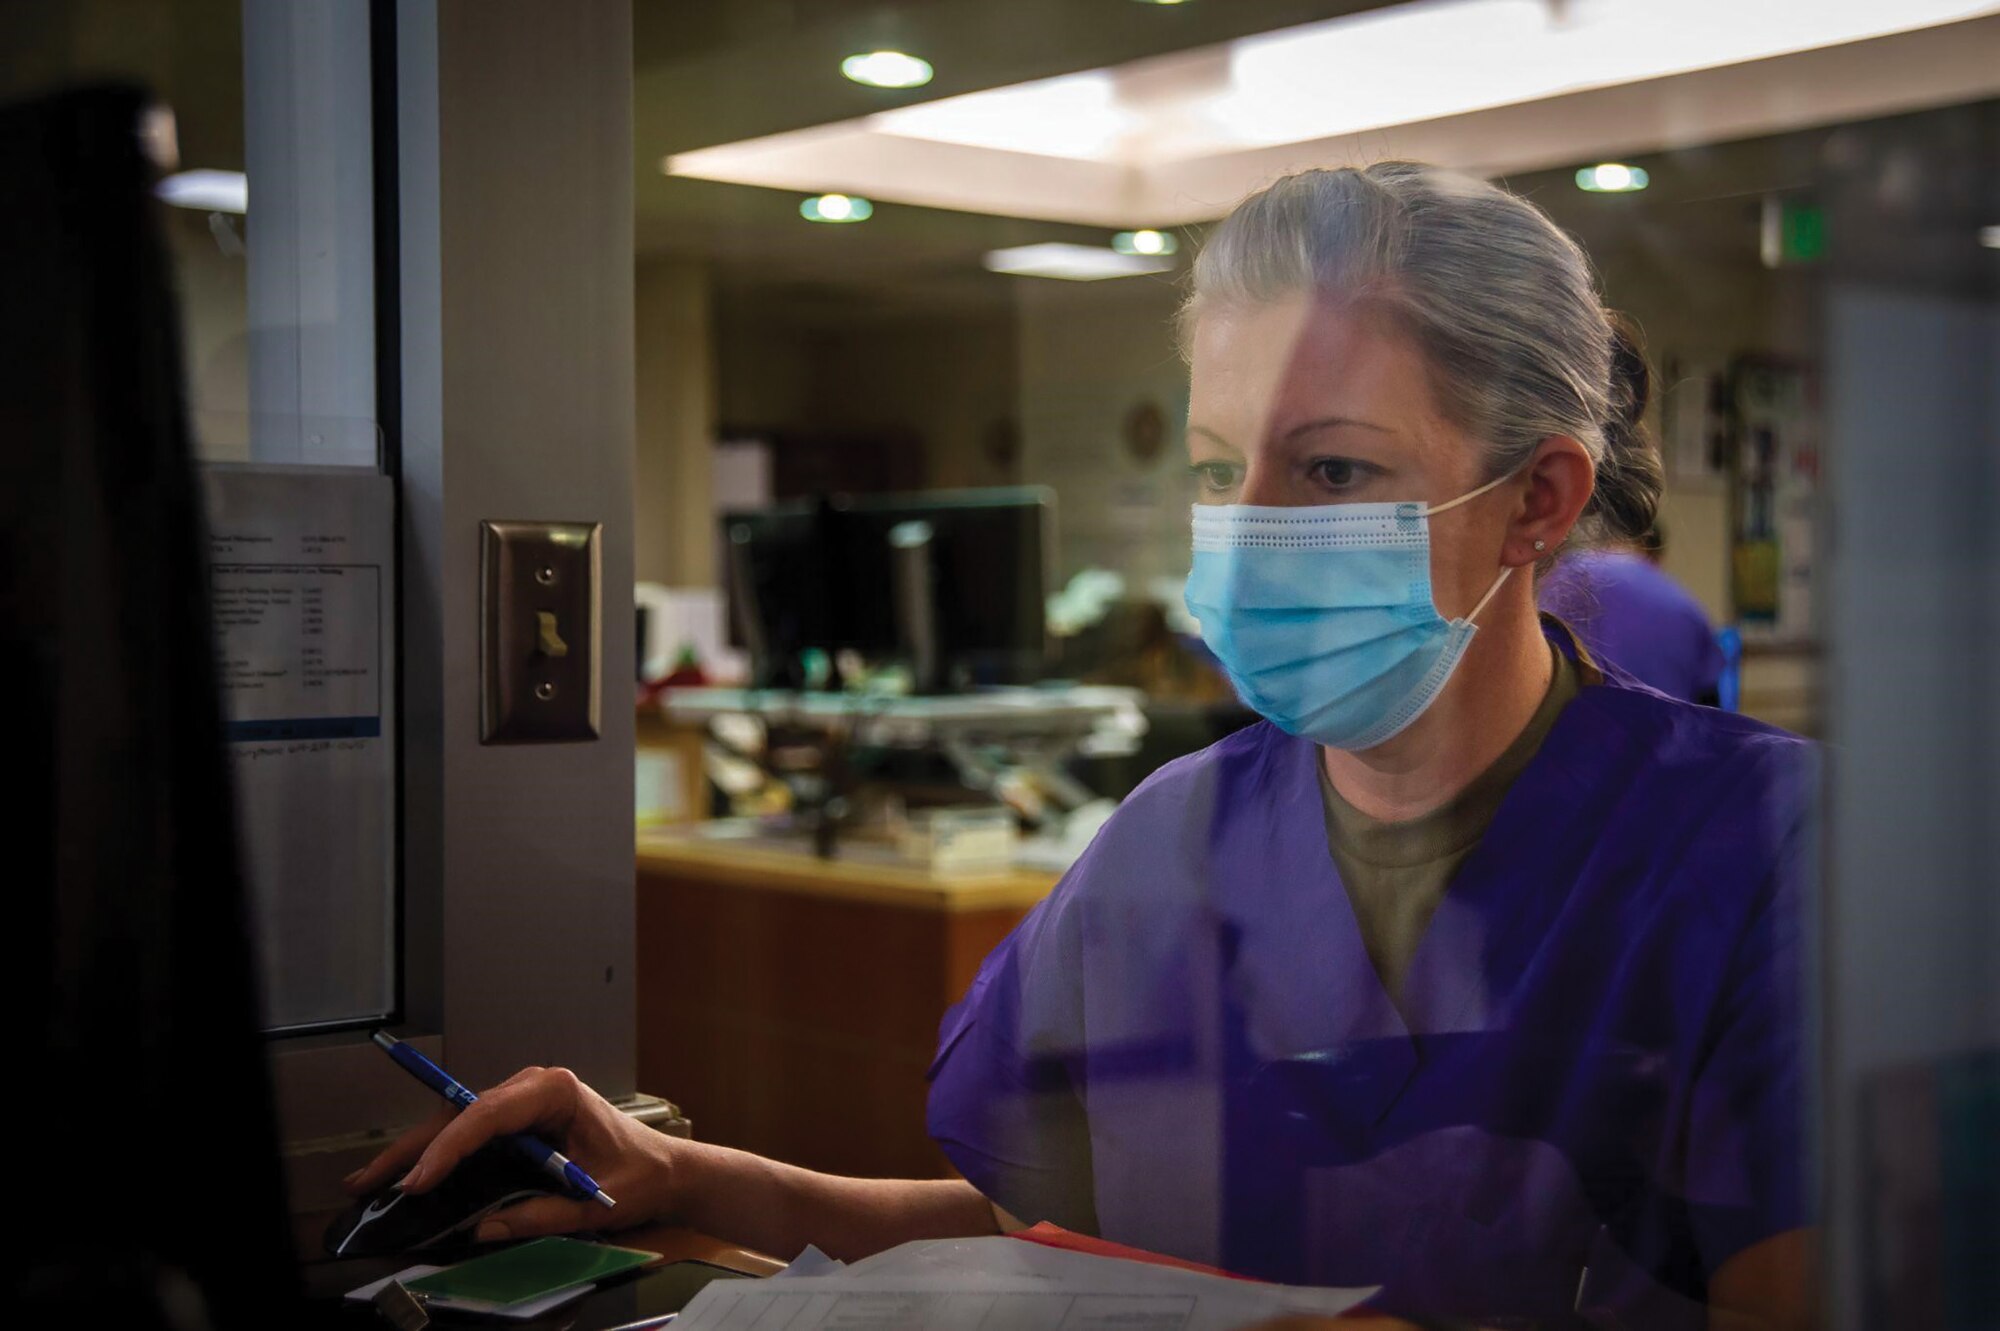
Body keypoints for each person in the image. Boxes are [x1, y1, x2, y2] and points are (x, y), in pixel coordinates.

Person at [352, 163, 1814, 1330]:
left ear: (1538, 502)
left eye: (1333, 469)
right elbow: (1045, 1248)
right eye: (1214, 471)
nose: (1246, 531)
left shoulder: (1764, 856)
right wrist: (687, 1175)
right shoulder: (1171, 844)